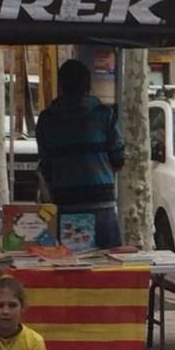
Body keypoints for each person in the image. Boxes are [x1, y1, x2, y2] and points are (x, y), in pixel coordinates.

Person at [35, 59, 124, 248]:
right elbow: (118, 158)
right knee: (108, 267)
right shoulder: (103, 115)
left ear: (61, 86)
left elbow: (46, 166)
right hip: (102, 205)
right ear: (88, 85)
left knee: (73, 270)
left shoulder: (47, 119)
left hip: (67, 206)